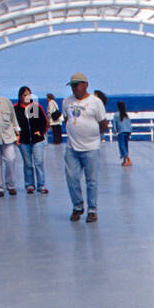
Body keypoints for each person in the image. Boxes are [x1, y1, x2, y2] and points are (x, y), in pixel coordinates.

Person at [62, 72, 108, 223]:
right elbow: (67, 119)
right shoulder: (66, 101)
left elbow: (103, 123)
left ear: (85, 85)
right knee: (72, 178)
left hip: (91, 148)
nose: (74, 88)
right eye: (72, 86)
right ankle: (77, 206)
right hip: (72, 148)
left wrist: (94, 136)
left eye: (77, 85)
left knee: (91, 180)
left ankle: (92, 210)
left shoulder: (96, 102)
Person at [14, 86, 49, 194]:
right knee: (28, 164)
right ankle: (29, 185)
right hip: (23, 141)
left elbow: (45, 121)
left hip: (37, 140)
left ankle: (41, 185)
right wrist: (16, 136)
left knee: (39, 162)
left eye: (29, 95)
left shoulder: (36, 107)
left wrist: (41, 132)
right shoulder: (15, 108)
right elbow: (12, 123)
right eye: (25, 95)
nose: (27, 97)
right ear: (20, 96)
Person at [115, 101, 134, 167]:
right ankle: (124, 161)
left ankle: (128, 159)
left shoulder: (116, 114)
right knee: (125, 146)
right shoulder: (126, 114)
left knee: (122, 146)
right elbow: (129, 124)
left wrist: (115, 131)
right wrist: (130, 132)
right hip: (128, 132)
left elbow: (114, 124)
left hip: (121, 132)